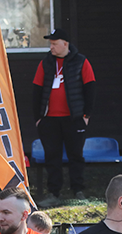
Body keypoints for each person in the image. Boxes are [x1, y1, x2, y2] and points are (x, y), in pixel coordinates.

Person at [32, 28, 96, 206]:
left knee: (76, 155)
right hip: (49, 119)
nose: (51, 47)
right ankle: (54, 193)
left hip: (74, 118)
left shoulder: (81, 62)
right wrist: (38, 118)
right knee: (52, 157)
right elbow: (36, 90)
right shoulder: (45, 63)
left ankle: (78, 190)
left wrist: (86, 115)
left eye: (54, 44)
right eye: (50, 44)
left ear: (65, 44)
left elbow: (90, 88)